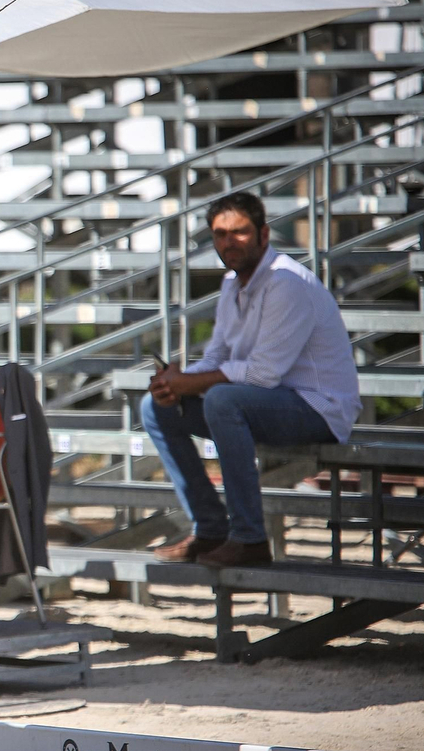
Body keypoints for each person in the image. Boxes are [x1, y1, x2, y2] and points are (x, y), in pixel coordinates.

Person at [144, 192, 361, 568]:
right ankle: (210, 528)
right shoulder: (232, 284)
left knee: (221, 400)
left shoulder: (287, 282)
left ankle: (249, 539)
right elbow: (217, 356)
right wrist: (175, 382)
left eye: (239, 232)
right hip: (269, 403)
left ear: (263, 234)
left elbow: (262, 375)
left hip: (318, 410)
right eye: (220, 234)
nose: (229, 242)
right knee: (155, 407)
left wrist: (189, 384)